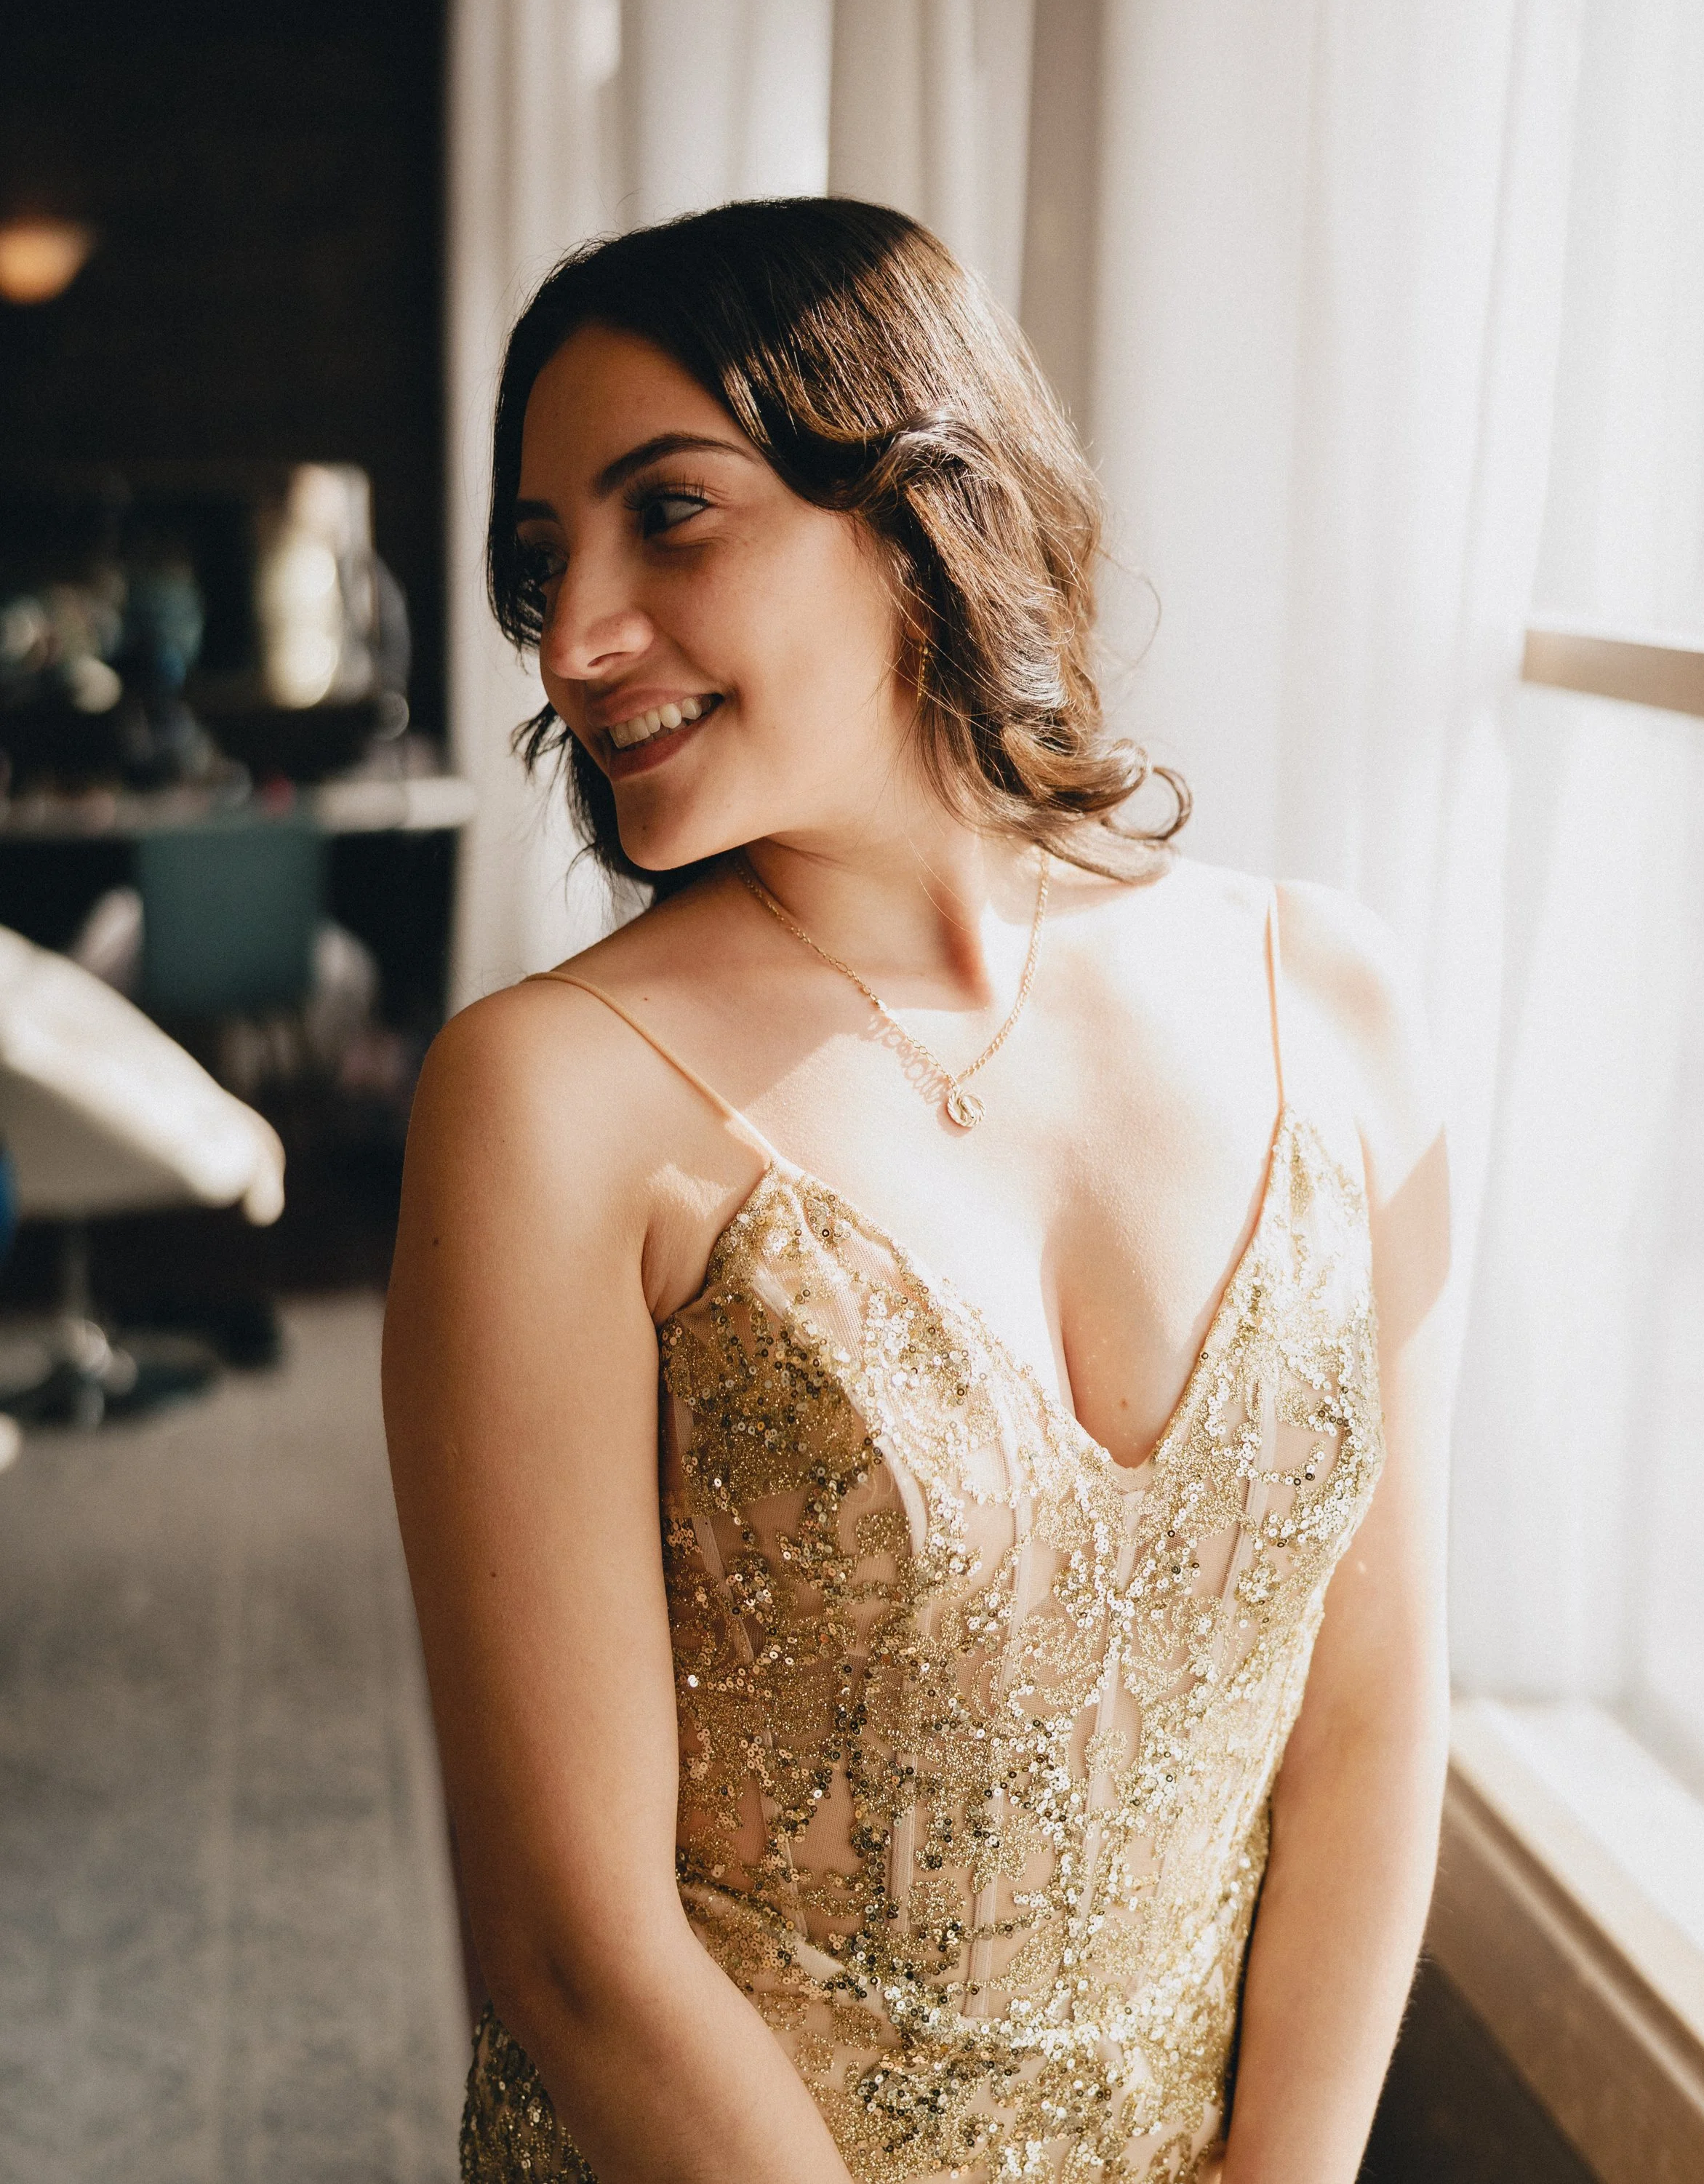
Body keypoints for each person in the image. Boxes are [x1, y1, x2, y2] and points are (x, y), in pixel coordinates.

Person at [383, 197, 1453, 2184]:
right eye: (543, 563)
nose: (574, 636)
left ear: (915, 506)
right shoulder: (545, 1101)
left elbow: (1370, 1707)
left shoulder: (1336, 998)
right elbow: (571, 1943)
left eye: (668, 515)